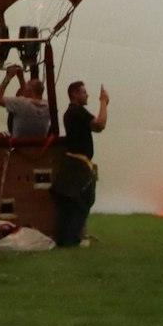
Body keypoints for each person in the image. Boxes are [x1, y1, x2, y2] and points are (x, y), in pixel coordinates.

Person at [54, 80, 107, 247]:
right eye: (83, 92)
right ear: (75, 94)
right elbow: (100, 124)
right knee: (84, 200)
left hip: (74, 162)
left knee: (71, 202)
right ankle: (72, 238)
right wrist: (104, 103)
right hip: (80, 163)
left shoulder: (72, 113)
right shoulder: (77, 111)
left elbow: (96, 128)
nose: (87, 95)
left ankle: (65, 237)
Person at [0, 65, 51, 140]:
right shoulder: (48, 106)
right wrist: (21, 78)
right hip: (40, 146)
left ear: (29, 91)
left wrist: (8, 77)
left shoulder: (21, 103)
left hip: (19, 146)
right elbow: (27, 97)